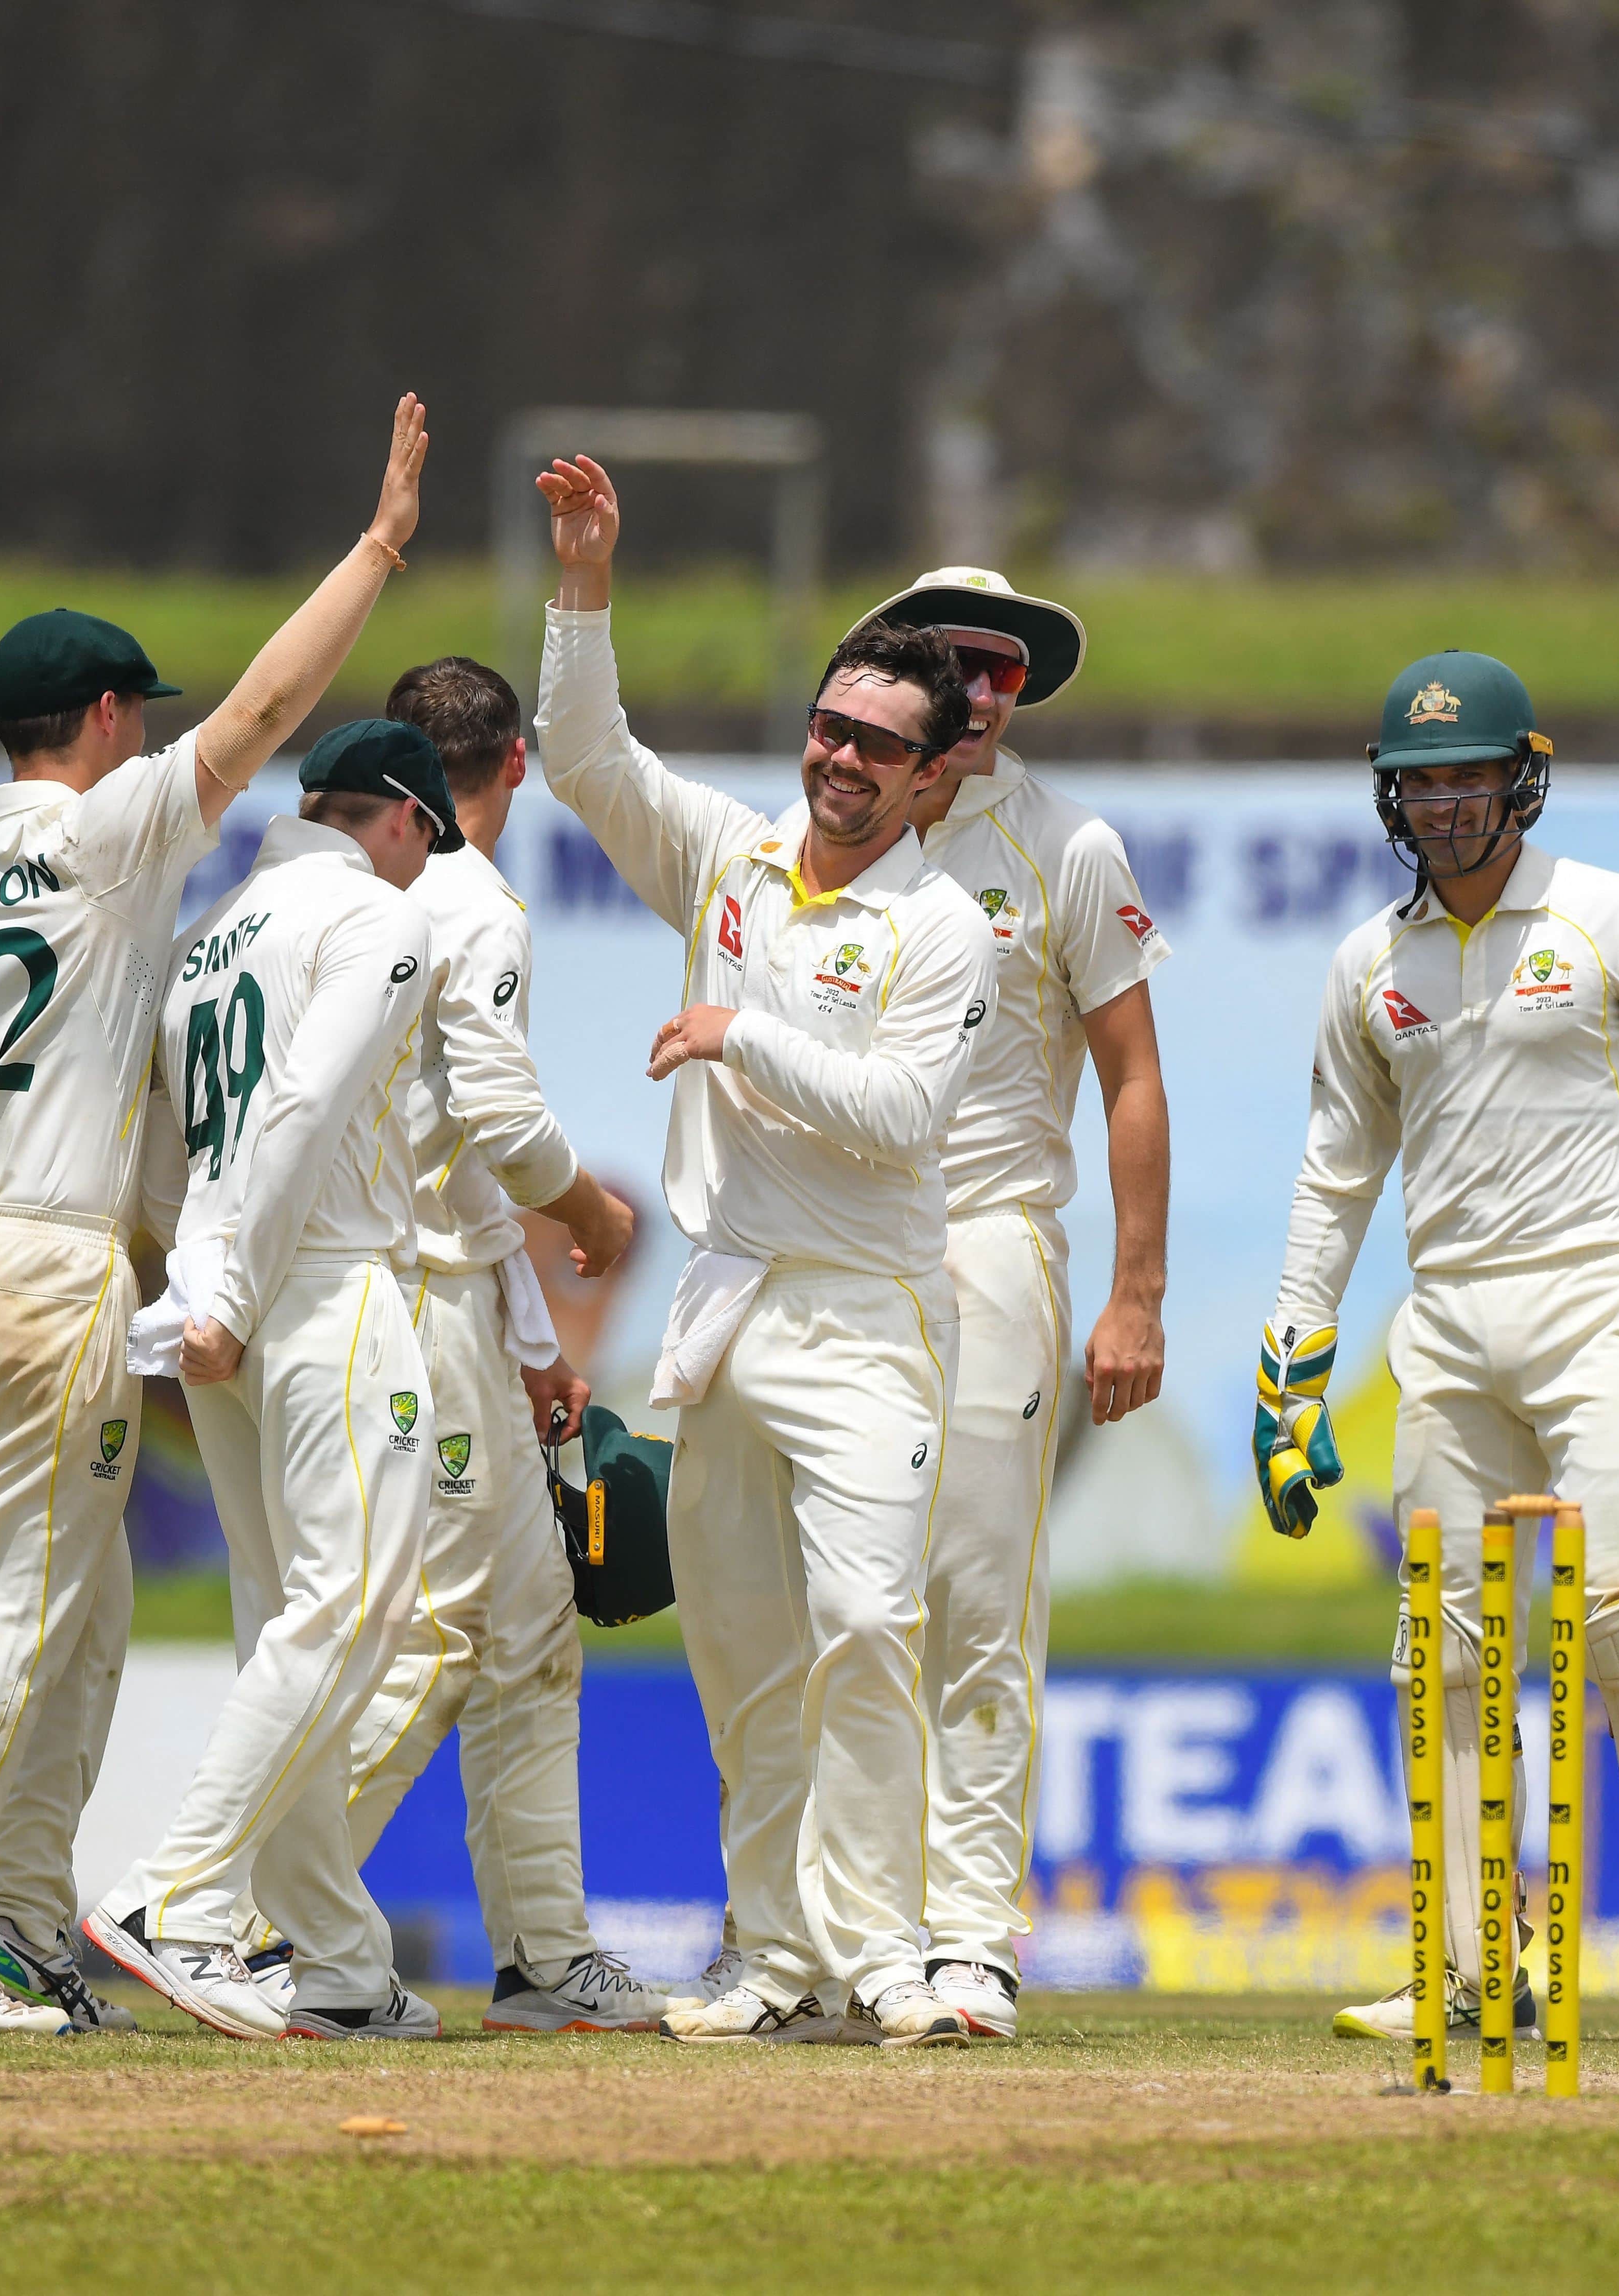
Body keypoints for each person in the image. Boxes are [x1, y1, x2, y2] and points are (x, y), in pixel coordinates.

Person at [0, 398, 429, 2037]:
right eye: (135, 719)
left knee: (73, 1620)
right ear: (101, 720)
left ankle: (23, 1920)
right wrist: (377, 547)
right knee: (17, 1616)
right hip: (45, 1261)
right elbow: (268, 706)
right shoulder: (108, 841)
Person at [532, 452, 994, 2048]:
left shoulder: (945, 928)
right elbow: (581, 755)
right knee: (741, 1651)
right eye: (831, 726)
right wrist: (585, 582)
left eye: (881, 745)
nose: (841, 758)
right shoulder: (732, 857)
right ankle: (776, 1957)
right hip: (729, 1315)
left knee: (869, 1626)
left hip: (867, 1322)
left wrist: (740, 1034)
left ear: (936, 781)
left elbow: (900, 1114)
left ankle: (888, 1954)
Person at [1261, 651, 1619, 2044]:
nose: (1442, 803)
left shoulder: (1615, 915)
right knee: (1442, 1646)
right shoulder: (1372, 960)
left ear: (1519, 778)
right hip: (1446, 1318)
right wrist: (1294, 1358)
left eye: (1466, 774)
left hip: (1600, 1292)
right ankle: (1479, 1960)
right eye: (1417, 781)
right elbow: (1333, 1172)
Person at [748, 567, 1171, 2042]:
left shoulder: (1063, 842)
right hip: (836, 1254)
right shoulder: (823, 838)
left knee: (977, 1594)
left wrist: (1135, 1295)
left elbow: (1131, 1073)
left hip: (990, 1240)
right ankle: (832, 1941)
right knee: (841, 1606)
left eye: (1005, 670)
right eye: (957, 667)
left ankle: (972, 1936)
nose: (983, 691)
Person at [81, 721, 448, 2040]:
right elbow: (300, 1108)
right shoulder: (373, 921)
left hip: (224, 1300)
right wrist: (230, 1290)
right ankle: (173, 1893)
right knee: (353, 1607)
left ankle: (339, 1963)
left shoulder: (209, 938)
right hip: (324, 1285)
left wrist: (198, 1284)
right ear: (399, 817)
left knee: (285, 1617)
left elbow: (162, 1165)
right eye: (429, 842)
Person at [333, 654, 662, 2032]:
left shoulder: (357, 898)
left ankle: (544, 1959)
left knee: (530, 1634)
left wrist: (533, 1341)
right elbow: (508, 1139)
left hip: (422, 1301)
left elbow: (460, 1163)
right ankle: (228, 1908)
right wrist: (590, 1211)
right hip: (415, 1309)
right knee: (449, 1634)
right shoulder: (471, 900)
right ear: (514, 762)